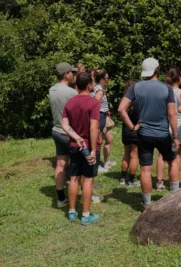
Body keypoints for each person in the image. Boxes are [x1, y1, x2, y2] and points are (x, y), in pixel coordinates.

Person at [118, 57, 180, 211]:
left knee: (145, 169)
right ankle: (177, 198)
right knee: (172, 162)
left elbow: (121, 109)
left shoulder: (136, 87)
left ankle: (146, 204)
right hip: (163, 135)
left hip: (143, 134)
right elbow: (172, 114)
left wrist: (132, 127)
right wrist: (176, 136)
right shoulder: (167, 88)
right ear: (157, 69)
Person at [61, 72, 100, 225]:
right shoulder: (93, 103)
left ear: (77, 85)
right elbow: (94, 127)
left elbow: (65, 125)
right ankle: (85, 215)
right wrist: (91, 149)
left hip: (73, 145)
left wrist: (76, 138)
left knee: (73, 178)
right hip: (88, 147)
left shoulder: (69, 103)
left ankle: (71, 212)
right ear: (89, 85)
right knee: (88, 180)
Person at [155, 67, 181, 191]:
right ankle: (174, 183)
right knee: (176, 155)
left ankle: (159, 182)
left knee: (161, 155)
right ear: (180, 77)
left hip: (164, 124)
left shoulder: (163, 91)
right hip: (179, 124)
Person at [49, 62, 78, 208]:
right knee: (77, 165)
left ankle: (61, 198)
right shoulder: (71, 93)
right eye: (72, 72)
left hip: (57, 131)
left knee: (60, 165)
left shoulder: (52, 90)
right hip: (69, 133)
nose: (74, 75)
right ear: (66, 74)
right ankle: (82, 194)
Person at [91, 70, 115, 173]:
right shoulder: (99, 90)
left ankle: (106, 162)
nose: (108, 80)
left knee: (109, 139)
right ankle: (96, 166)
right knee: (98, 141)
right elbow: (96, 106)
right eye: (106, 78)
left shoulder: (96, 87)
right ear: (101, 79)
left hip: (103, 116)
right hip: (99, 117)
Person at [120, 79, 140, 187]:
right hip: (135, 129)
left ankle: (123, 178)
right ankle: (131, 180)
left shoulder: (123, 100)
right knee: (134, 156)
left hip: (125, 130)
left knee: (126, 154)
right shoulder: (139, 100)